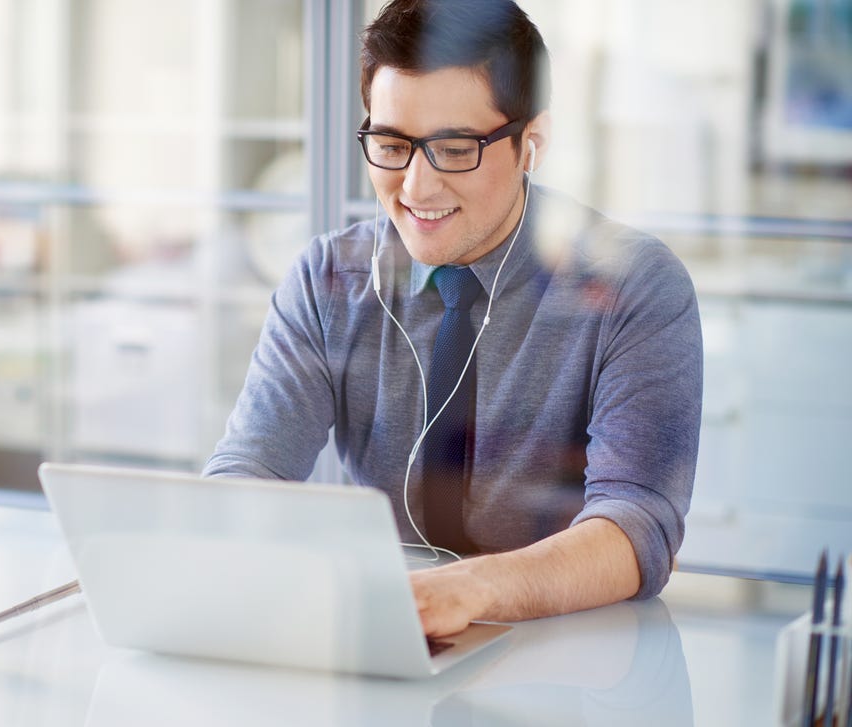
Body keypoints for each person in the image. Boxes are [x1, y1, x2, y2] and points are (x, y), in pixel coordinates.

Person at [204, 0, 702, 638]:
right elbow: (253, 467)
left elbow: (639, 523)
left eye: (454, 148)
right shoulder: (331, 278)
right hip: (393, 634)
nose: (416, 187)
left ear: (532, 143)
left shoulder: (634, 285)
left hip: (575, 651)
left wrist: (469, 590)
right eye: (391, 144)